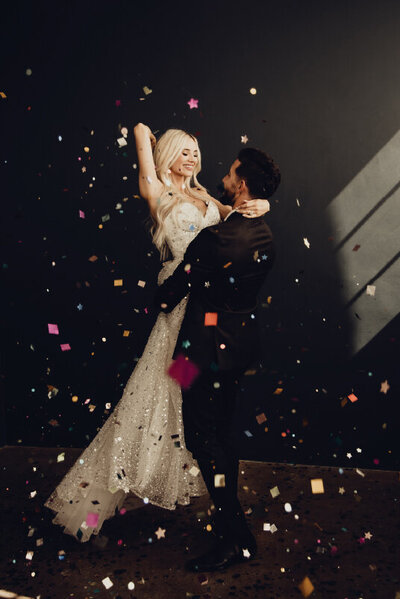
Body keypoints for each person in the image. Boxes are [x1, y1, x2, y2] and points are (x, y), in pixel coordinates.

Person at [44, 124, 271, 542]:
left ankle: (182, 469)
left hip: (204, 316)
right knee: (152, 395)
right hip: (177, 313)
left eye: (196, 151)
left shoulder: (206, 197)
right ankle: (100, 495)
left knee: (183, 403)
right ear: (166, 156)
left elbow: (237, 220)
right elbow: (141, 133)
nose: (192, 159)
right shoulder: (158, 193)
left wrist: (262, 208)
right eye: (183, 152)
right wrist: (148, 140)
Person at [155, 146, 280, 572]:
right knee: (221, 435)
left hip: (202, 351)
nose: (223, 178)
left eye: (230, 174)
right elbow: (235, 216)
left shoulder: (212, 241)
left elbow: (173, 292)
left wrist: (159, 293)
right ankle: (230, 522)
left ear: (242, 184)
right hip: (238, 349)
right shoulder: (262, 230)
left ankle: (235, 535)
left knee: (201, 439)